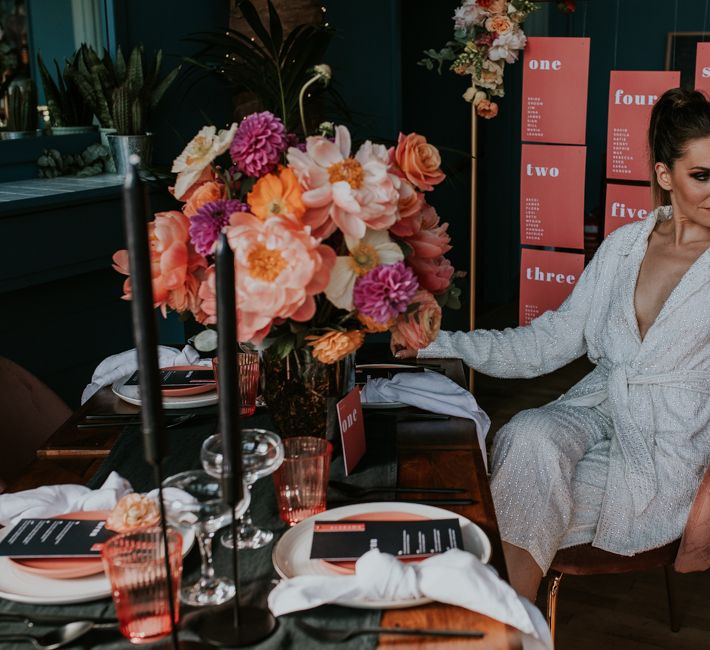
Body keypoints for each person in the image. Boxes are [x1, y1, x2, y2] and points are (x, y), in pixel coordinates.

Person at [399, 87, 710, 601]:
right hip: (600, 405)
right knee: (528, 432)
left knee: (507, 510)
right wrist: (435, 342)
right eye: (701, 175)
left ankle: (499, 619)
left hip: (669, 448)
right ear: (663, 176)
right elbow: (547, 343)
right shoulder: (624, 246)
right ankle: (506, 619)